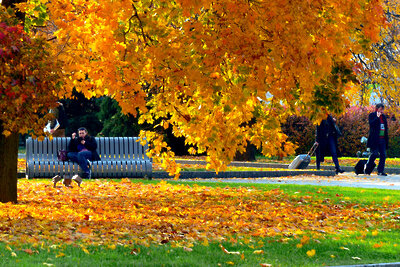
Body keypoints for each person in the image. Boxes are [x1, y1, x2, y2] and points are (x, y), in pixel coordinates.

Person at [365, 103, 389, 176]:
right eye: (380, 109)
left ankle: (380, 171)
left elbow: (385, 127)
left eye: (383, 109)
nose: (382, 111)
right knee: (374, 154)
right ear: (377, 108)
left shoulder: (384, 117)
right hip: (375, 139)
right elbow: (371, 124)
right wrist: (377, 117)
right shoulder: (372, 115)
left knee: (383, 155)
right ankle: (367, 168)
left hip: (382, 139)